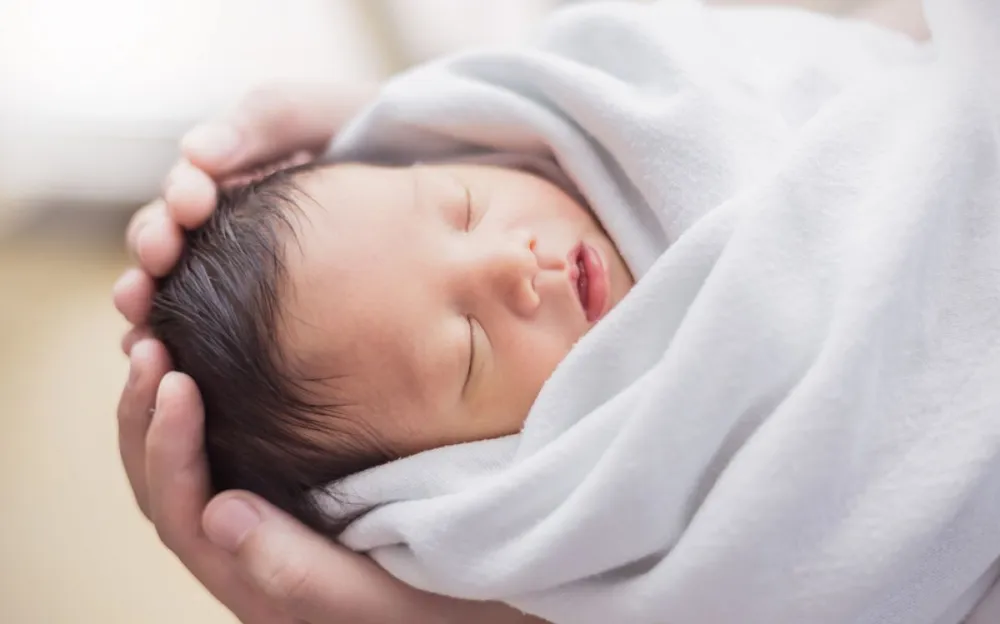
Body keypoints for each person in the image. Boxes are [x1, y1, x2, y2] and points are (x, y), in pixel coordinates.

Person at [114, 2, 935, 622]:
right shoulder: (638, 511)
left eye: (463, 206)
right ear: (465, 477)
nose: (512, 263)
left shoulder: (653, 110)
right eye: (469, 348)